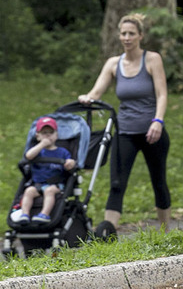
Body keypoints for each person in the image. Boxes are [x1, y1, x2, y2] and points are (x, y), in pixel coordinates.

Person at [78, 13, 172, 232]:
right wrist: (88, 98)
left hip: (152, 132)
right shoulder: (113, 63)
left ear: (140, 36)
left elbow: (162, 94)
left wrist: (157, 121)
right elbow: (97, 91)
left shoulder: (152, 59)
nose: (127, 38)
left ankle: (165, 231)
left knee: (158, 182)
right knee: (116, 184)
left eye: (131, 33)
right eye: (123, 33)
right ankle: (107, 233)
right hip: (125, 132)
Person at [18, 117, 76, 224]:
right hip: (38, 184)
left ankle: (45, 214)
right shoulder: (38, 151)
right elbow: (28, 156)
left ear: (56, 135)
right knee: (28, 191)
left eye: (51, 132)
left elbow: (69, 163)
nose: (48, 135)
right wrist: (42, 145)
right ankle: (24, 214)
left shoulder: (62, 152)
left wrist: (70, 163)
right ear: (37, 136)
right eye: (44, 133)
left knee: (49, 191)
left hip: (56, 185)